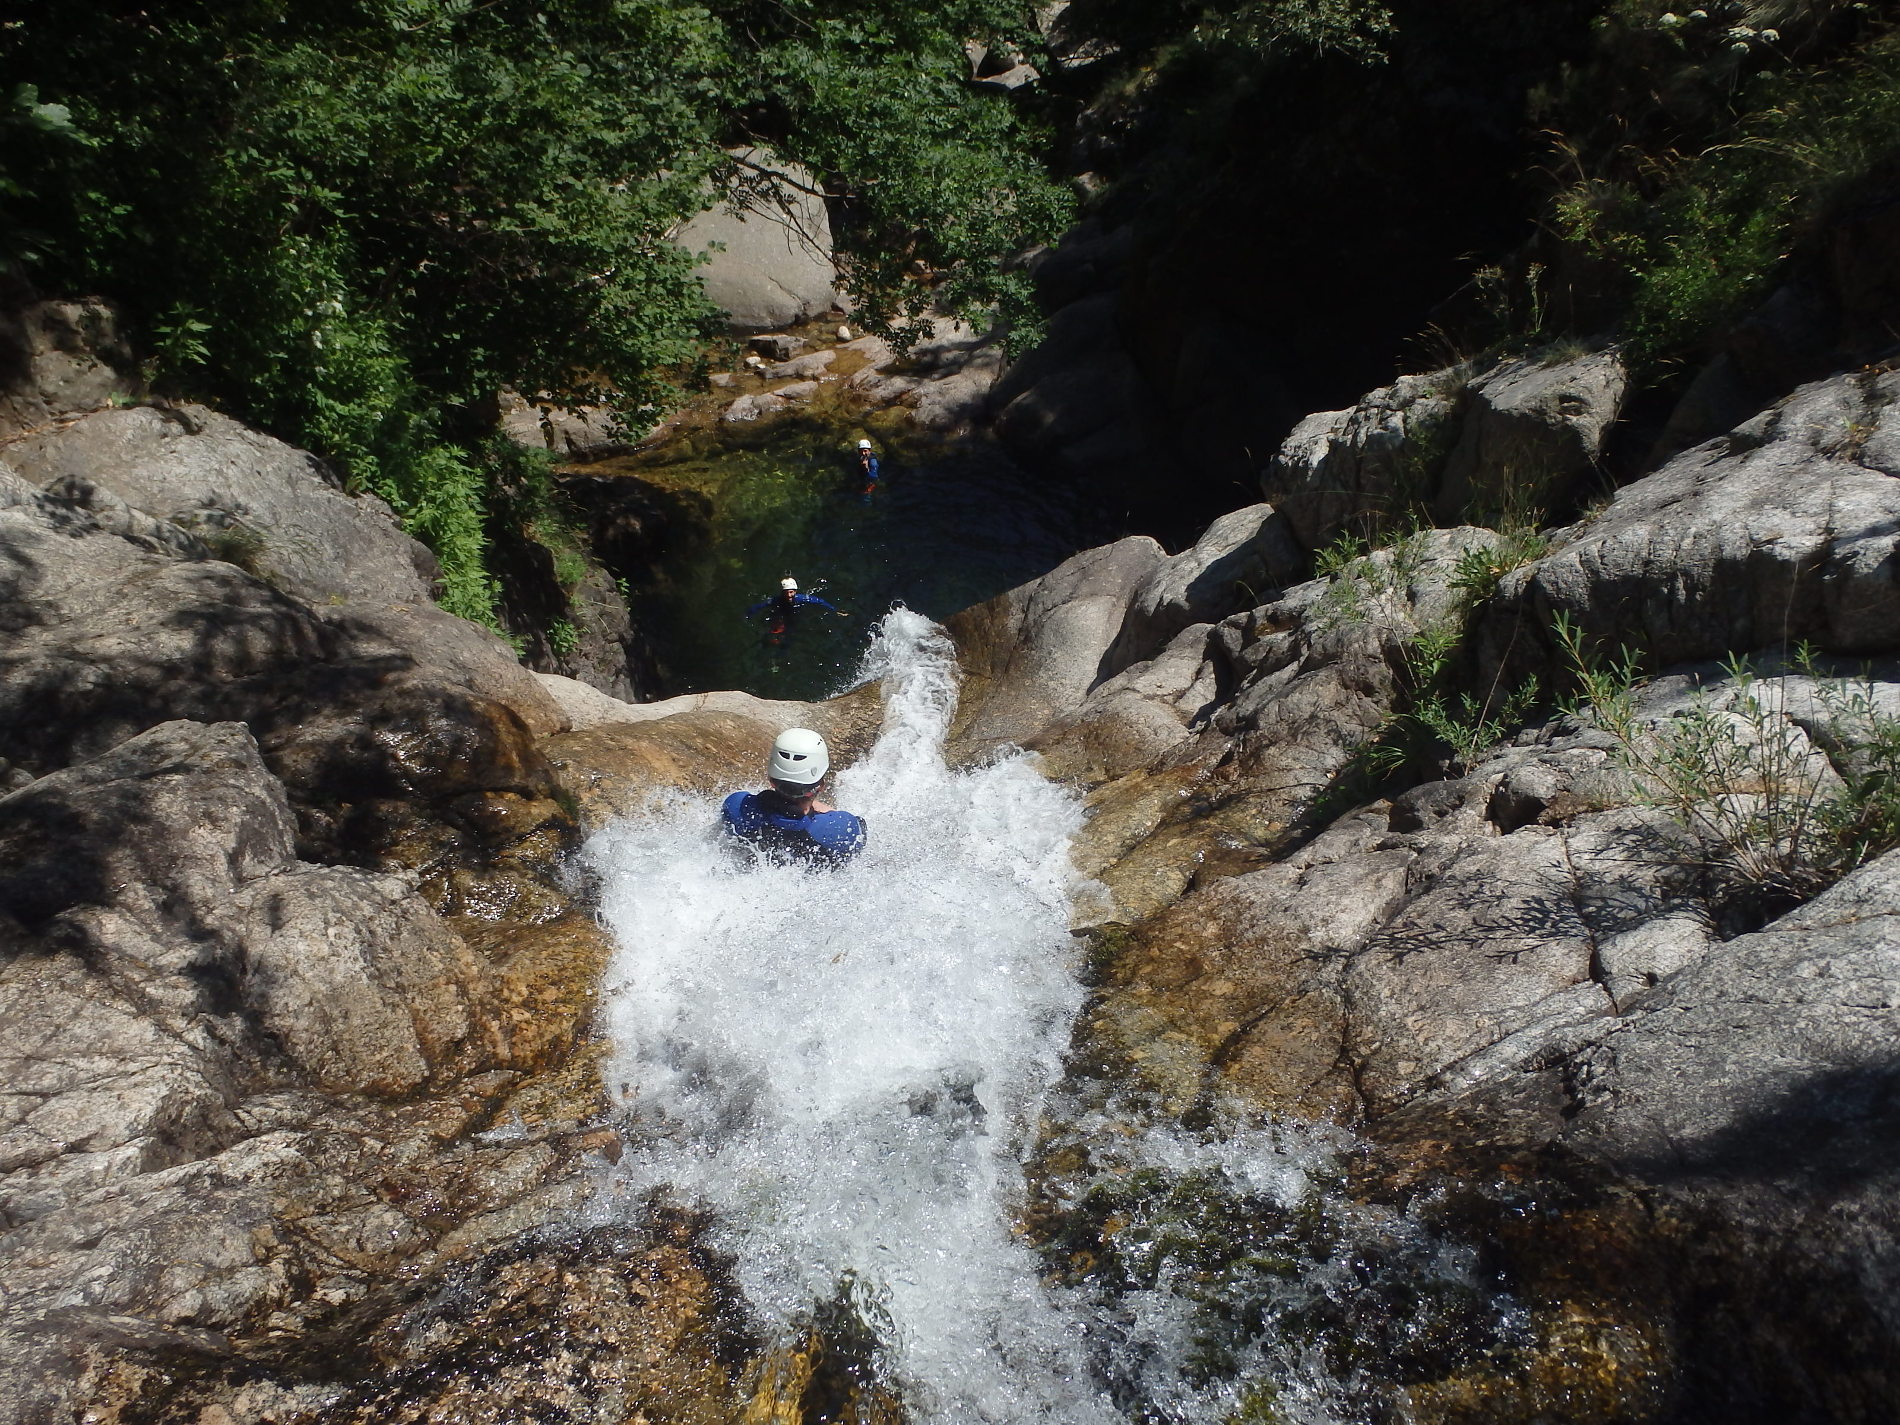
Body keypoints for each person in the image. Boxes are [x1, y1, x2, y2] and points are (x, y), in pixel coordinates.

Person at [721, 727, 867, 864]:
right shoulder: (840, 828)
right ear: (821, 786)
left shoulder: (738, 807)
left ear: (771, 780)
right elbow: (860, 828)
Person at [745, 576, 847, 645]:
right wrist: (748, 615)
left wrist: (834, 610)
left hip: (794, 614)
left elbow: (820, 601)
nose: (789, 595)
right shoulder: (775, 600)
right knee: (774, 628)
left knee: (790, 633)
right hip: (780, 613)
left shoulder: (801, 598)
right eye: (786, 592)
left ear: (795, 591)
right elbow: (758, 606)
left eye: (791, 592)